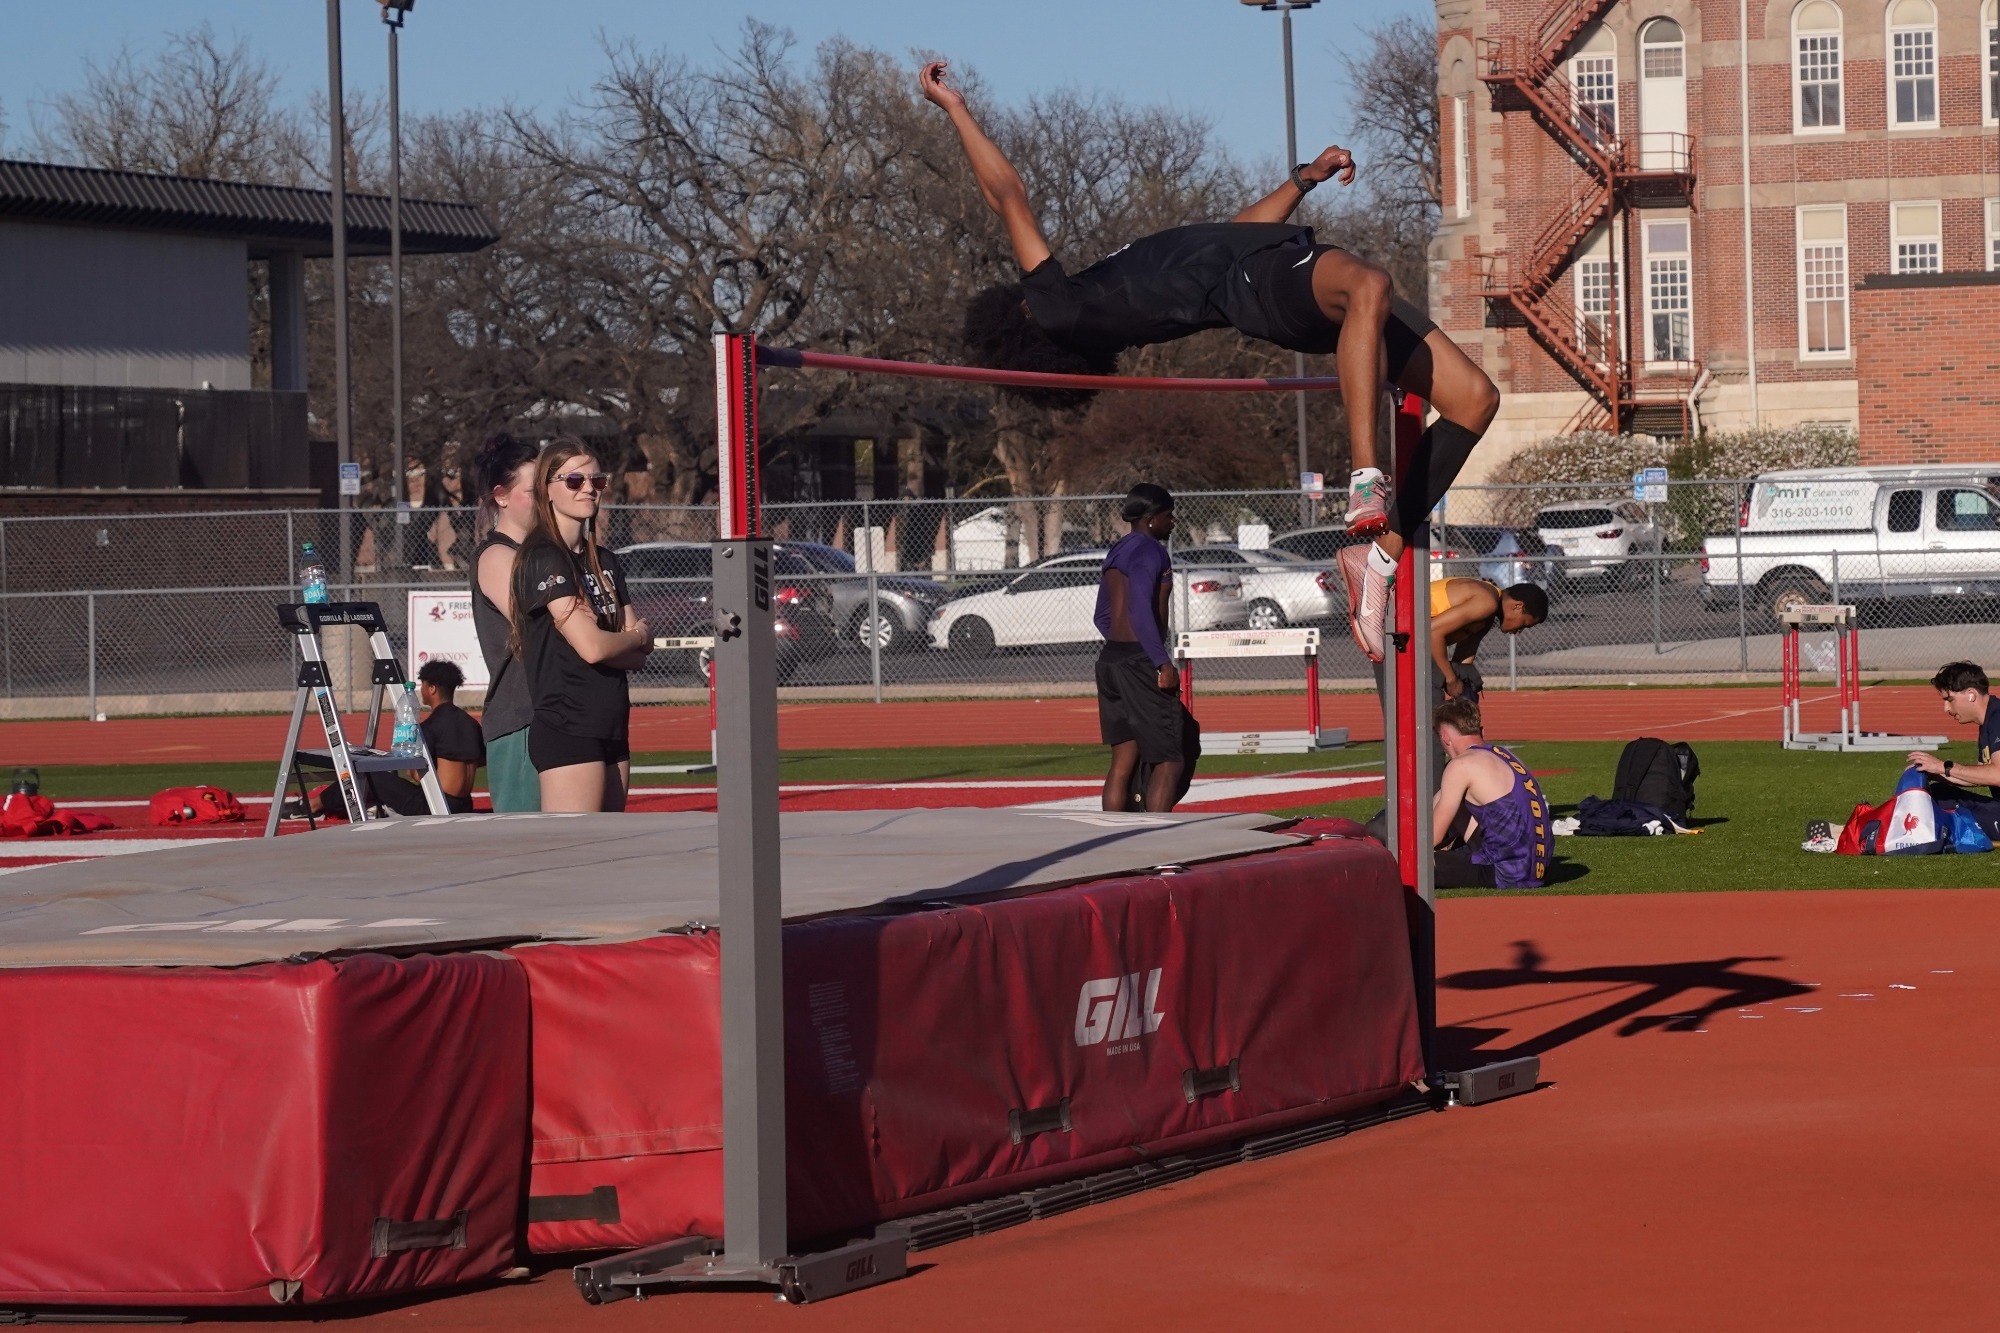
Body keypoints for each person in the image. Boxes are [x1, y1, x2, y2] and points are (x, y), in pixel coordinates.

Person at [919, 59, 1501, 565]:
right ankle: (1366, 478)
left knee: (1474, 398)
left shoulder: (1101, 289)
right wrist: (957, 111)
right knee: (1370, 282)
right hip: (1265, 282)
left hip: (1271, 276)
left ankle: (1379, 556)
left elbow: (1229, 236)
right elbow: (1006, 193)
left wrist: (1303, 180)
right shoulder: (1055, 308)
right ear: (1022, 321)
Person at [511, 438, 652, 812]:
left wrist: (619, 642)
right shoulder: (543, 557)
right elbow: (596, 647)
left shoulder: (605, 560)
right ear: (547, 489)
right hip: (568, 726)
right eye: (574, 480)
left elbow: (637, 657)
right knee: (570, 857)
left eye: (597, 480)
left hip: (611, 725)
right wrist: (633, 636)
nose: (589, 488)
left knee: (609, 854)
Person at [1370, 696, 1550, 889]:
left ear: (1445, 737)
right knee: (1450, 802)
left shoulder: (1461, 765)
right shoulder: (1505, 755)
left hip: (1507, 872)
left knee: (1397, 865)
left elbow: (1432, 837)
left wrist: (1393, 840)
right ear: (1481, 731)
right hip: (1537, 865)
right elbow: (1438, 804)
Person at [1096, 483, 1192, 813]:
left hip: (1111, 660)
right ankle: (1158, 848)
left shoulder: (1117, 550)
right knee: (1170, 759)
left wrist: (1121, 646)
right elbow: (1139, 609)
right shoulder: (1151, 551)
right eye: (1168, 515)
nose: (1173, 521)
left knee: (1123, 762)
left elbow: (1102, 615)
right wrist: (1160, 662)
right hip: (1140, 660)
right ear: (1151, 519)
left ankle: (1114, 845)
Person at [293, 659, 485, 819]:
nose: (422, 690)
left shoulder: (432, 725)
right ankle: (367, 804)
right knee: (389, 779)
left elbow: (415, 772)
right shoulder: (471, 723)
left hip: (434, 806)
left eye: (424, 685)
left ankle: (313, 805)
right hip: (463, 804)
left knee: (369, 774)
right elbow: (477, 761)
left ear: (432, 689)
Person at [471, 433, 543, 812]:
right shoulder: (497, 555)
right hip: (521, 718)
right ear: (501, 496)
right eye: (533, 490)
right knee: (531, 849)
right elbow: (546, 623)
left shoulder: (543, 553)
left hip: (552, 713)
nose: (546, 498)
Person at [1906, 661, 2000, 834]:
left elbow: (1997, 775)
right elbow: (1980, 776)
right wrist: (1935, 773)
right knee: (1939, 793)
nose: (1946, 708)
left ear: (1971, 695)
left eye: (1950, 700)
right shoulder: (1989, 719)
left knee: (1940, 805)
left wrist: (1945, 767)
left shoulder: (1997, 717)